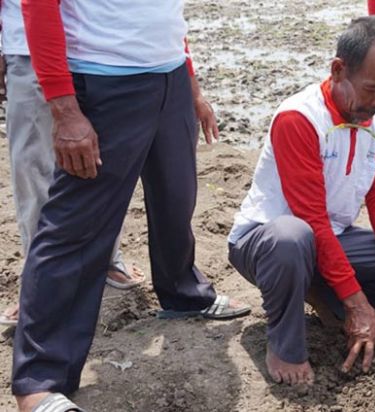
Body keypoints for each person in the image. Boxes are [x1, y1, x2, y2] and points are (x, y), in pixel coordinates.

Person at [12, 0, 250, 410]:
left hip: (169, 75)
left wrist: (189, 83)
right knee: (75, 227)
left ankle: (182, 294)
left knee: (177, 196)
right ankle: (38, 379)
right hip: (105, 79)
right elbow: (38, 6)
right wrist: (65, 109)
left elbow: (165, 14)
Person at [228, 16, 375, 386]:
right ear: (339, 70)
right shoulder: (299, 119)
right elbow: (311, 220)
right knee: (292, 238)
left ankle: (318, 289)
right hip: (268, 243)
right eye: (372, 89)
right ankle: (285, 346)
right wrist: (358, 304)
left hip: (330, 239)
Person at [0, 0, 151, 327]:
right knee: (34, 170)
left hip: (103, 47)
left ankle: (107, 258)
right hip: (27, 47)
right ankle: (38, 279)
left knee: (102, 162)